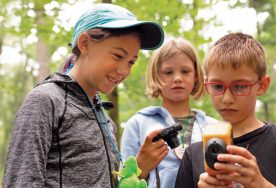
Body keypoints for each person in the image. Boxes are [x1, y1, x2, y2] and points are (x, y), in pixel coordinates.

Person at [3, 3, 164, 188]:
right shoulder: (46, 101)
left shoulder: (106, 121)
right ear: (85, 43)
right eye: (118, 56)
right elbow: (21, 182)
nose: (124, 70)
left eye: (131, 62)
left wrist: (140, 167)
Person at [175, 32, 276, 188]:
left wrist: (262, 185)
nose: (227, 98)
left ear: (262, 85)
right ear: (207, 84)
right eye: (218, 86)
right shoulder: (193, 155)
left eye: (240, 86)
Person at [120, 38, 217, 188]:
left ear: (196, 75)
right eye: (168, 72)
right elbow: (122, 182)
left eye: (185, 71)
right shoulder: (137, 124)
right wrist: (141, 167)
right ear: (156, 76)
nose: (177, 78)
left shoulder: (213, 126)